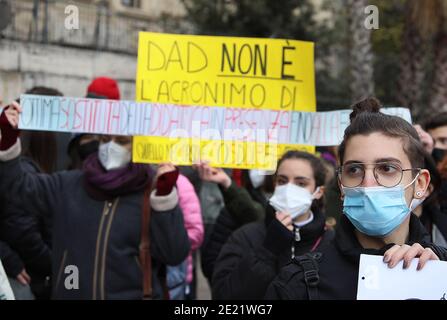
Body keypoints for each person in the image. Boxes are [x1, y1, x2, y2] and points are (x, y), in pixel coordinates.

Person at [0, 101, 190, 299]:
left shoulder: (150, 193)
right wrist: (8, 141)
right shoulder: (69, 184)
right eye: (106, 139)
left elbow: (174, 253)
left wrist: (165, 199)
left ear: (138, 146)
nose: (111, 147)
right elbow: (18, 190)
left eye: (122, 141)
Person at [265, 98, 447, 300]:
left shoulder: (441, 268)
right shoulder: (299, 285)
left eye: (387, 168)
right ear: (341, 185)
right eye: (354, 170)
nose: (368, 184)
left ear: (420, 184)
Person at [199, 150, 333, 299]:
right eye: (282, 181)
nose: (289, 189)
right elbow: (224, 295)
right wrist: (268, 251)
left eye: (301, 183)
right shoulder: (245, 236)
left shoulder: (331, 242)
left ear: (319, 191)